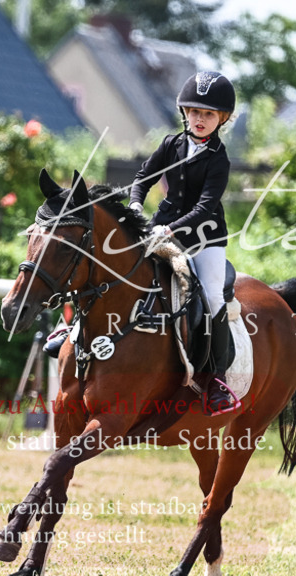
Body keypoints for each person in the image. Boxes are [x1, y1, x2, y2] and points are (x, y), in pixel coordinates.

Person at [129, 70, 239, 415]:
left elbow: (205, 207)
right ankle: (70, 332)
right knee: (117, 266)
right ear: (184, 113)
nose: (199, 119)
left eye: (207, 113)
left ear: (221, 118)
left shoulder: (219, 159)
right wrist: (135, 204)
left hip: (205, 237)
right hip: (163, 226)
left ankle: (217, 380)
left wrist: (170, 229)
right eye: (194, 111)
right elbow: (142, 177)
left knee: (210, 295)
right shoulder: (170, 144)